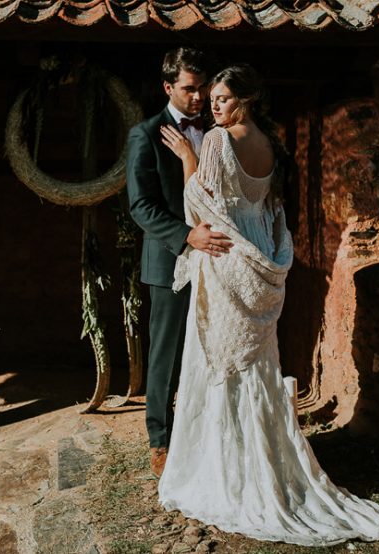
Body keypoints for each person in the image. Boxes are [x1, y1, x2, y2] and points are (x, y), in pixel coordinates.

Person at [156, 64, 379, 546]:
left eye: (223, 98)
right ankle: (262, 462)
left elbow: (200, 205)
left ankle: (229, 475)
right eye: (213, 98)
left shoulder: (218, 142)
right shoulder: (269, 143)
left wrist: (187, 156)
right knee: (255, 366)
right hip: (258, 257)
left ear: (244, 100)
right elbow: (265, 209)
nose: (214, 105)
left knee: (221, 363)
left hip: (226, 260)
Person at [126, 48, 233, 478]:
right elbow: (141, 206)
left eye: (203, 88)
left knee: (211, 346)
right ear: (168, 87)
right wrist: (187, 235)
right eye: (189, 89)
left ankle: (204, 433)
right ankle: (160, 441)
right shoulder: (145, 134)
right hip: (169, 261)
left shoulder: (217, 132)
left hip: (218, 259)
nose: (199, 97)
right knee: (166, 355)